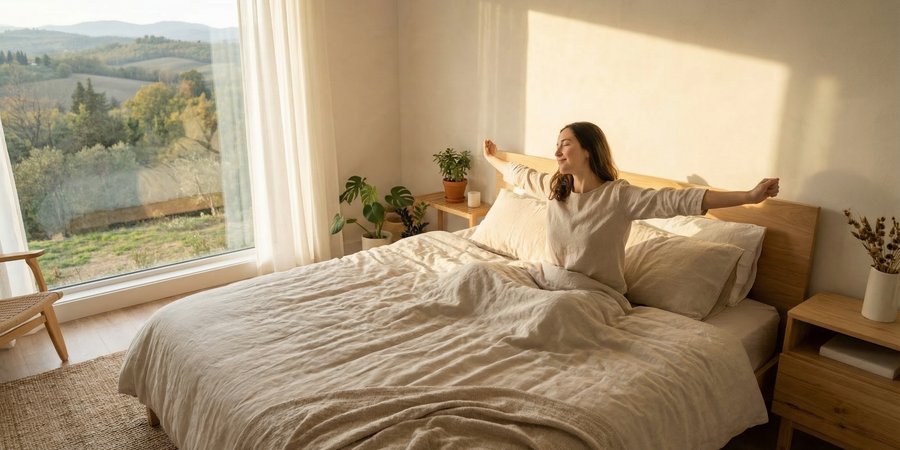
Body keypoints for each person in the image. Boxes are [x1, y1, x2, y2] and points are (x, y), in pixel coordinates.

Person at [482, 121, 779, 294]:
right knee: (479, 277)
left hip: (593, 295)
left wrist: (749, 197)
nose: (557, 151)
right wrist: (491, 158)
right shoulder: (555, 188)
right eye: (557, 144)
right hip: (551, 281)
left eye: (566, 144)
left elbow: (679, 201)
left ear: (588, 150)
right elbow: (519, 174)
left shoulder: (618, 197)